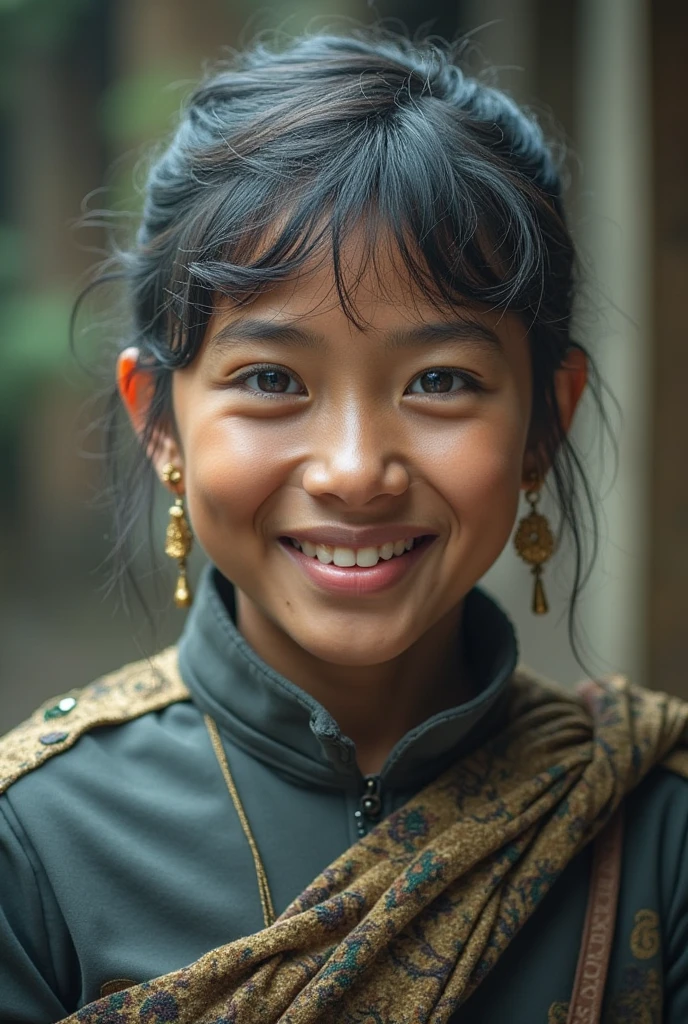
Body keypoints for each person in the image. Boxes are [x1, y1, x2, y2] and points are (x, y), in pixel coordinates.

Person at [0, 26, 686, 1024]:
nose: (356, 470)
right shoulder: (33, 844)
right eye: (272, 380)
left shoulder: (653, 828)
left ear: (545, 418)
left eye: (439, 381)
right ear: (159, 419)